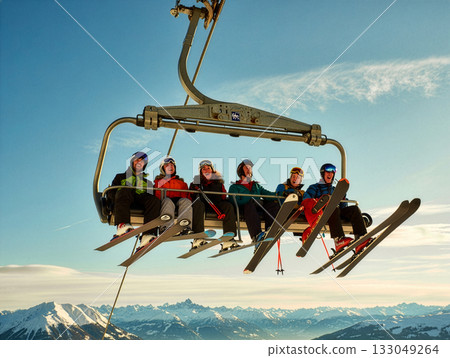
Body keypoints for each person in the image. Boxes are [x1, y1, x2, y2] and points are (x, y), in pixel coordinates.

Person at [302, 163, 370, 254]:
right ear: (323, 173)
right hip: (323, 213)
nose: (330, 174)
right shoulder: (314, 187)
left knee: (354, 209)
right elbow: (306, 200)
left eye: (332, 173)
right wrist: (318, 202)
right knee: (333, 208)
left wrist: (343, 199)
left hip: (336, 212)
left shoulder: (334, 189)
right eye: (328, 172)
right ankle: (338, 240)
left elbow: (342, 207)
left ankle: (361, 238)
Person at [108, 151, 161, 249]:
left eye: (142, 161)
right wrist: (113, 202)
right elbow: (112, 192)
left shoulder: (147, 183)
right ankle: (122, 225)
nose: (139, 162)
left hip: (141, 201)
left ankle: (148, 234)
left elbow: (151, 198)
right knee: (125, 189)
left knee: (154, 200)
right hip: (125, 199)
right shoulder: (121, 177)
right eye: (137, 160)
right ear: (132, 162)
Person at [228, 159, 280, 245]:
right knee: (250, 204)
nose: (249, 169)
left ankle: (270, 229)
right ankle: (256, 235)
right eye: (246, 168)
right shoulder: (235, 187)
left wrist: (279, 194)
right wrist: (249, 199)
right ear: (241, 171)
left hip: (258, 206)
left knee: (272, 204)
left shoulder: (256, 185)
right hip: (245, 208)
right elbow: (234, 201)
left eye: (250, 168)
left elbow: (268, 195)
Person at [189, 160, 237, 246]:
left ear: (212, 170)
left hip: (216, 205)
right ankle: (198, 237)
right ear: (201, 172)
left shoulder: (218, 183)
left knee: (228, 206)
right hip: (202, 205)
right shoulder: (196, 182)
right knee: (198, 204)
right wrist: (194, 188)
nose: (206, 170)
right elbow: (190, 196)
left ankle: (229, 238)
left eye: (208, 168)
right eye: (204, 169)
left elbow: (223, 196)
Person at [154, 156, 193, 235]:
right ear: (163, 169)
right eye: (167, 165)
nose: (170, 167)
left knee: (186, 201)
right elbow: (157, 195)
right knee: (167, 201)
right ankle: (165, 227)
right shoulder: (159, 182)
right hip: (166, 201)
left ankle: (185, 226)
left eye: (172, 165)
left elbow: (186, 196)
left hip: (178, 201)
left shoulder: (182, 183)